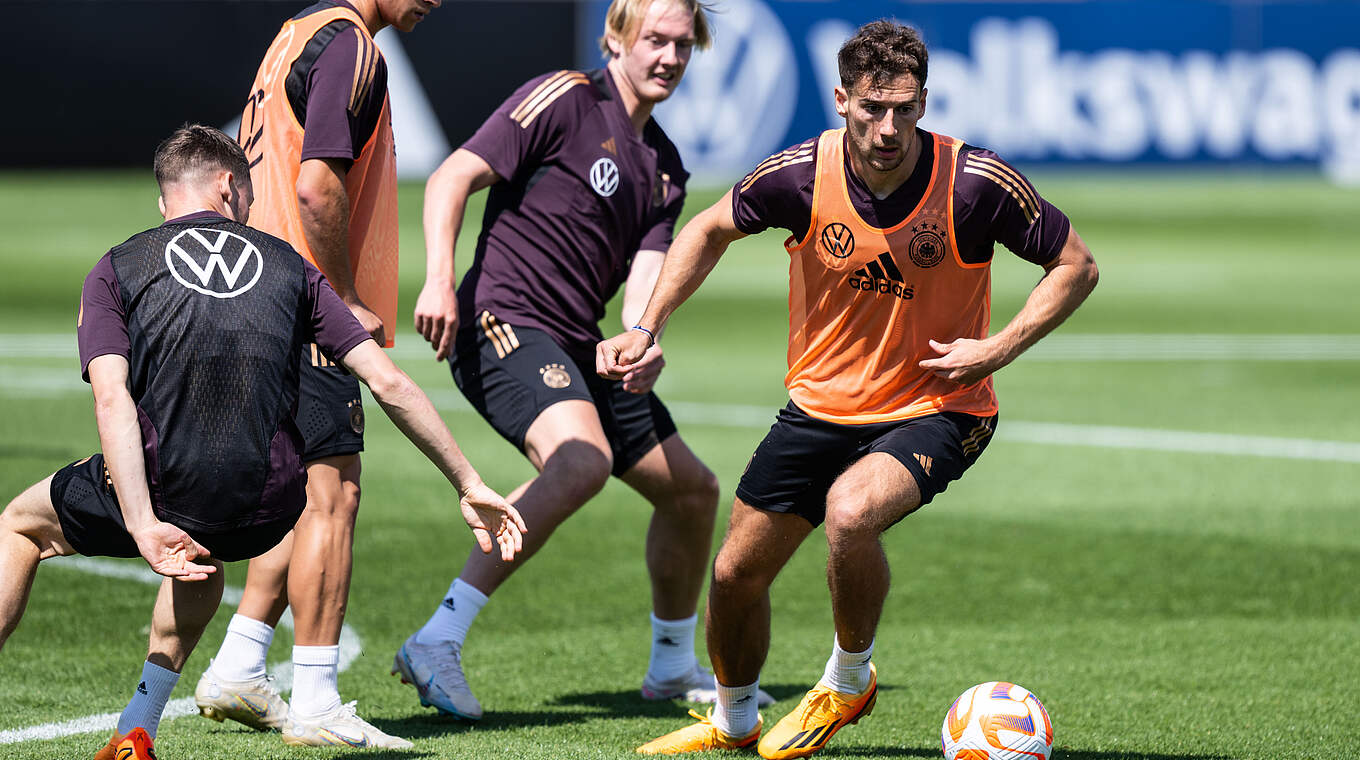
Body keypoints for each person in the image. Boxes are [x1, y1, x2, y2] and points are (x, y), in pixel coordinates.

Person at [598, 20, 1099, 759]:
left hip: (940, 407)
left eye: (904, 107)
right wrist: (645, 327)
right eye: (871, 108)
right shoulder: (800, 175)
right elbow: (705, 231)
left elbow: (1076, 266)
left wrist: (996, 348)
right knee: (736, 573)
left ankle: (848, 679)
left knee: (851, 511)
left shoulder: (974, 182)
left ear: (924, 101)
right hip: (819, 408)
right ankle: (733, 722)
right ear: (842, 99)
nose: (888, 127)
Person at [0, 125, 524, 760]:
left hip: (163, 488)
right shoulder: (290, 267)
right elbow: (387, 381)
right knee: (201, 559)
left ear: (174, 197)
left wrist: (140, 523)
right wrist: (469, 483)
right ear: (229, 187)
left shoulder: (116, 267)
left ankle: (146, 713)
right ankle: (135, 729)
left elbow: (112, 398)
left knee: (20, 527)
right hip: (265, 511)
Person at [395, 0, 767, 721]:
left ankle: (669, 666)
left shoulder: (666, 168)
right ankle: (438, 637)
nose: (669, 57)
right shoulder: (565, 97)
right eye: (656, 39)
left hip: (579, 343)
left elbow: (645, 288)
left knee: (692, 493)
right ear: (616, 37)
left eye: (683, 46)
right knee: (581, 458)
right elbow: (450, 178)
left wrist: (644, 340)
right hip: (501, 320)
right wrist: (439, 277)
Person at [194, 0, 440, 745]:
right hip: (300, 303)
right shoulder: (354, 48)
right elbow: (315, 187)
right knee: (335, 497)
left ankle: (239, 664)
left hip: (250, 293)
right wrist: (344, 298)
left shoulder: (296, 33)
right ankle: (316, 700)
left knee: (298, 494)